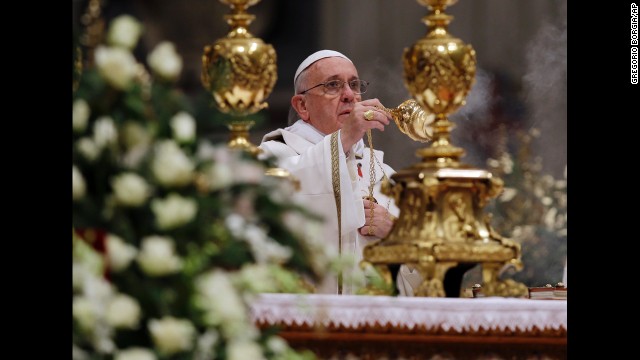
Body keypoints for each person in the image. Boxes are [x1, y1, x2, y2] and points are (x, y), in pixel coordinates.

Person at [258, 50, 422, 295]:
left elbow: (429, 268)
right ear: (302, 105)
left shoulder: (383, 174)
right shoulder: (273, 156)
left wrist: (395, 232)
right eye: (333, 85)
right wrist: (345, 137)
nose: (349, 96)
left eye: (354, 85)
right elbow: (282, 210)